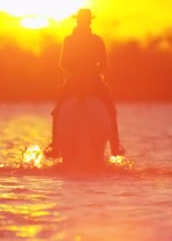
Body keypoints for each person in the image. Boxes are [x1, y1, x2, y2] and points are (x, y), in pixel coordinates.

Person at [44, 8, 124, 158]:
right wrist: (93, 71)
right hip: (94, 82)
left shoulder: (69, 40)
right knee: (111, 111)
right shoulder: (97, 40)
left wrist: (75, 71)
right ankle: (115, 147)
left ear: (77, 21)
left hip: (73, 82)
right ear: (89, 21)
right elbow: (105, 65)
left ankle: (55, 148)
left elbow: (63, 64)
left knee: (56, 112)